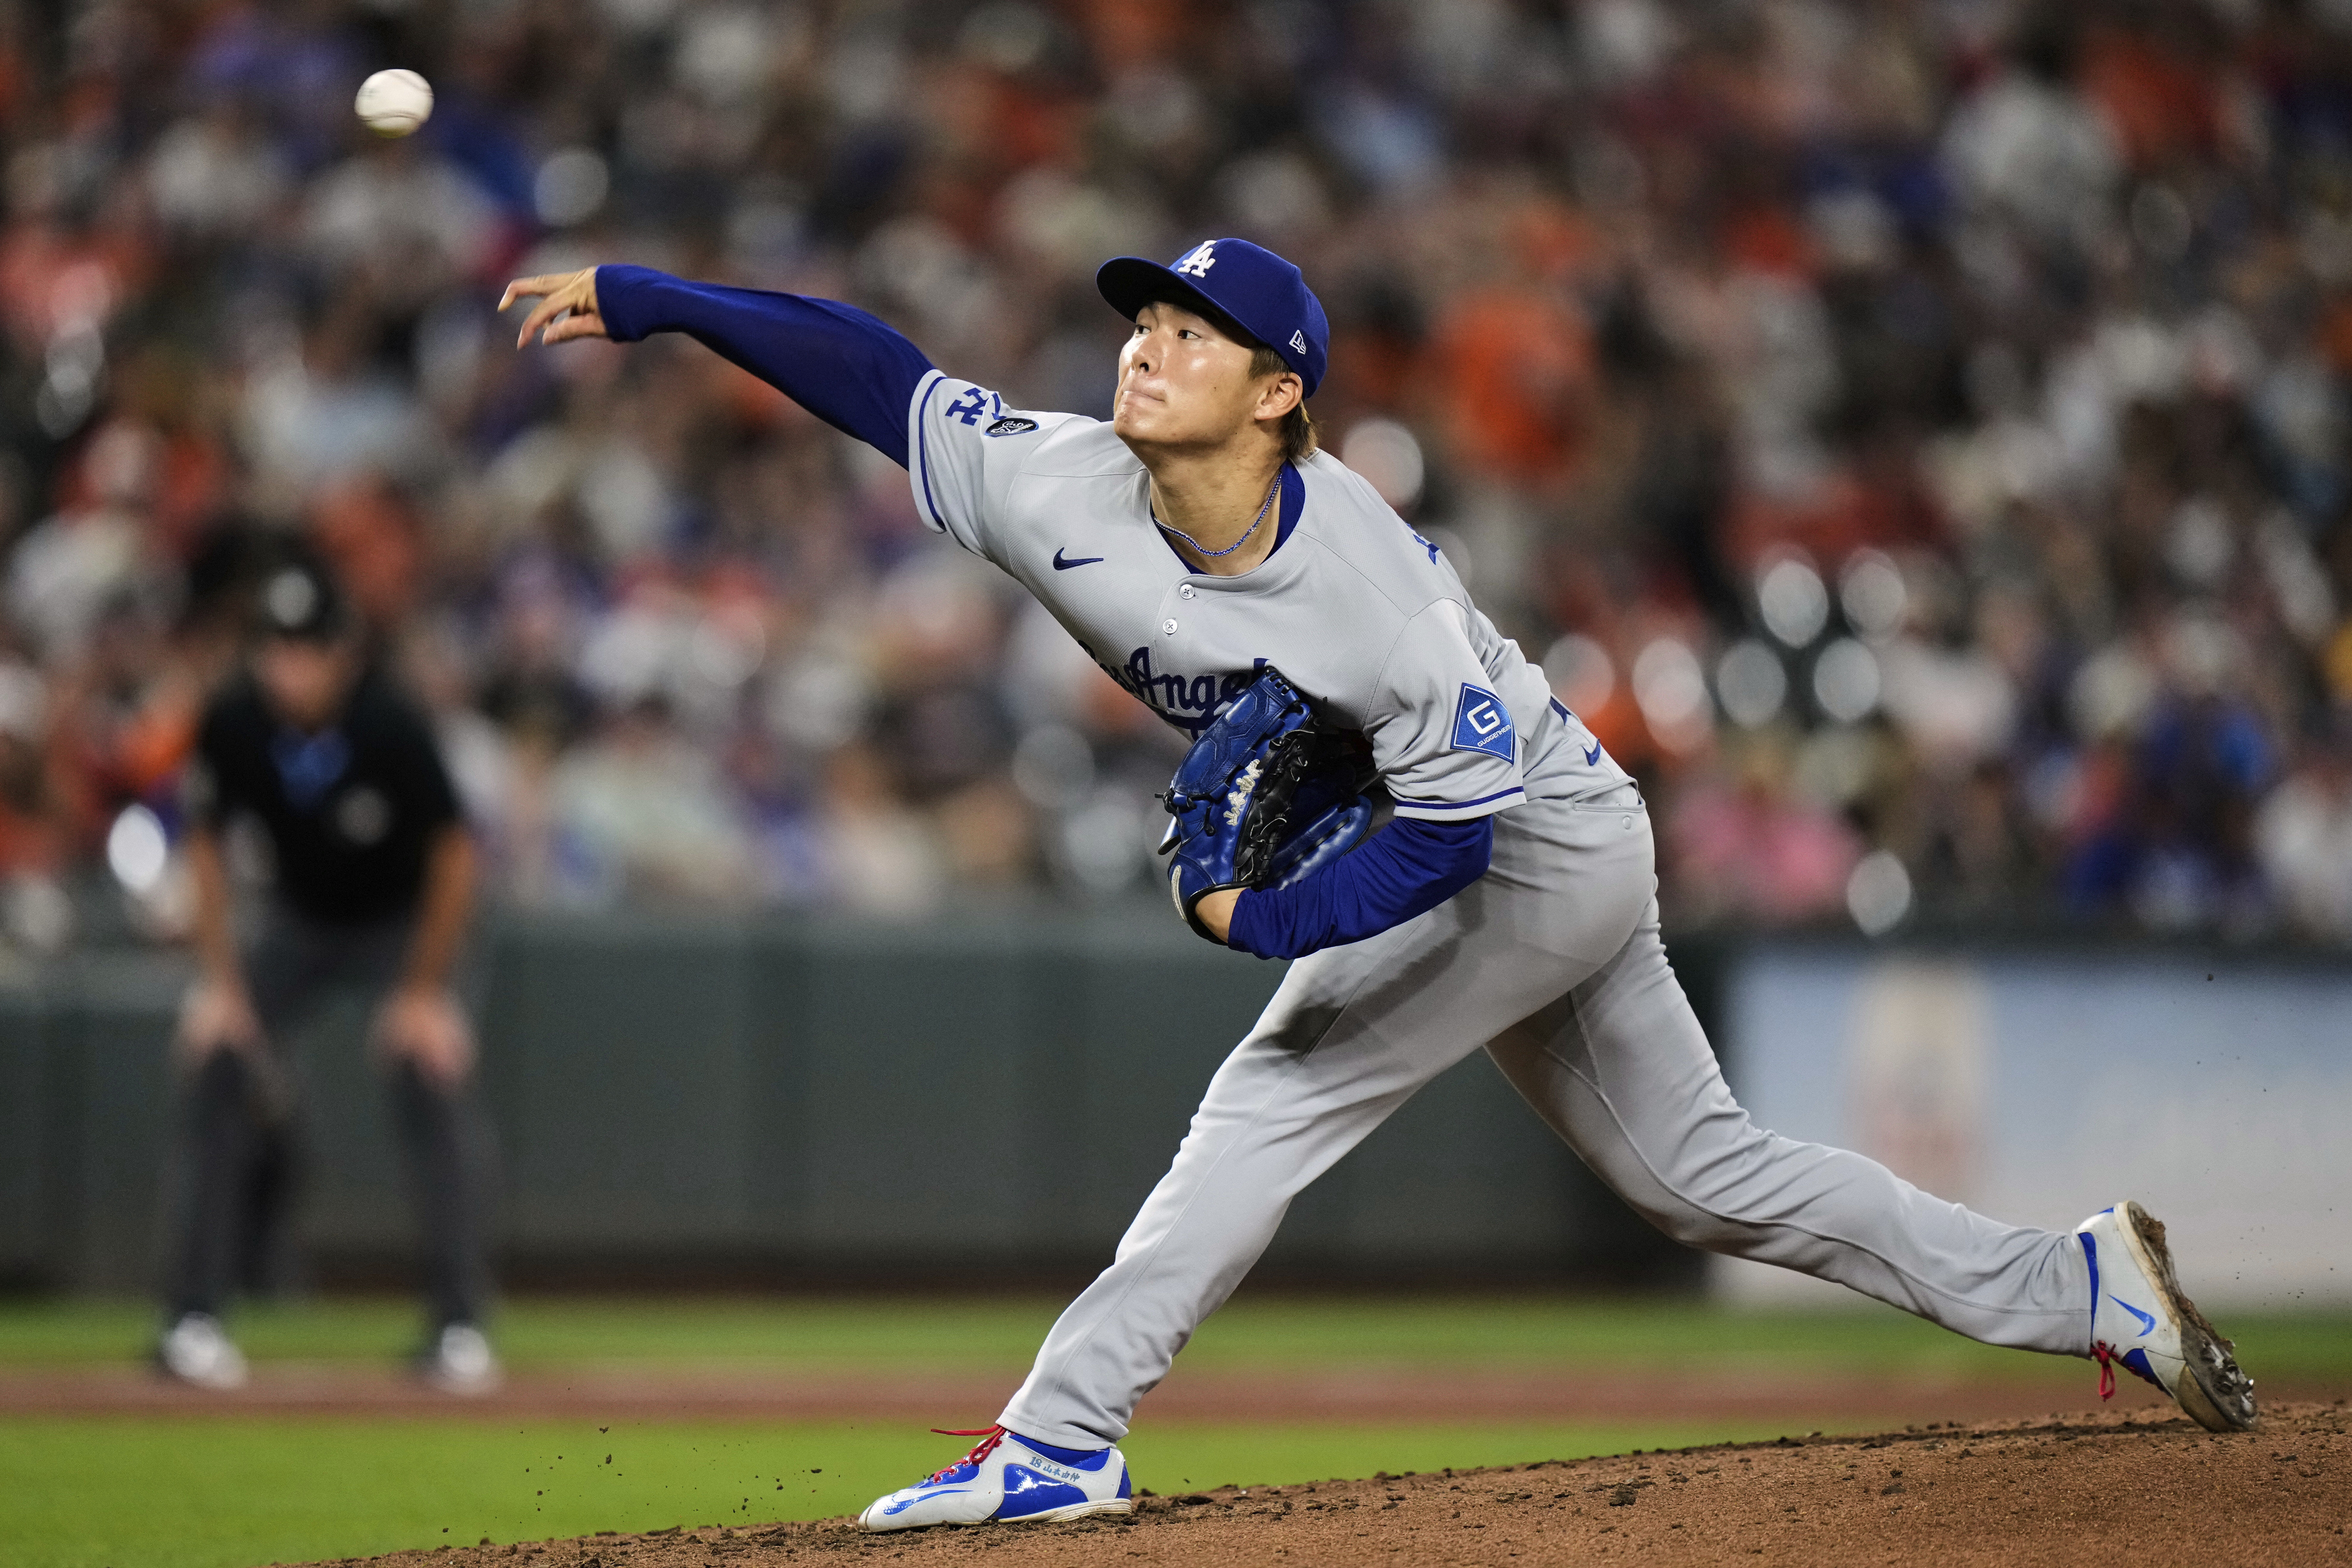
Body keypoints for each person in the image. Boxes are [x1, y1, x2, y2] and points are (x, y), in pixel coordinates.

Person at [503, 239, 2256, 1528]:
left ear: (1279, 392)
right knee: (1704, 1180)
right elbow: (871, 373)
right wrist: (658, 299)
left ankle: (1060, 1437)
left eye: (1194, 333)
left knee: (1279, 1080)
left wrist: (1256, 923)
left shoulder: (1365, 592)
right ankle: (2081, 1283)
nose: (1147, 349)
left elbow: (1450, 843)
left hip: (1538, 839)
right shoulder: (1060, 482)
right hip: (1506, 840)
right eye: (1144, 321)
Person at [157, 555, 498, 1394]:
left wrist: (424, 994)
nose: (289, 664)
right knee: (221, 1067)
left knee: (429, 1077)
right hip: (301, 923)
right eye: (275, 646)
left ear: (341, 653)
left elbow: (455, 859)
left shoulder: (389, 723)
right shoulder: (235, 721)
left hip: (401, 926)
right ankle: (193, 1320)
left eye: (306, 647)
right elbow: (202, 847)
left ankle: (459, 1329)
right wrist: (222, 987)